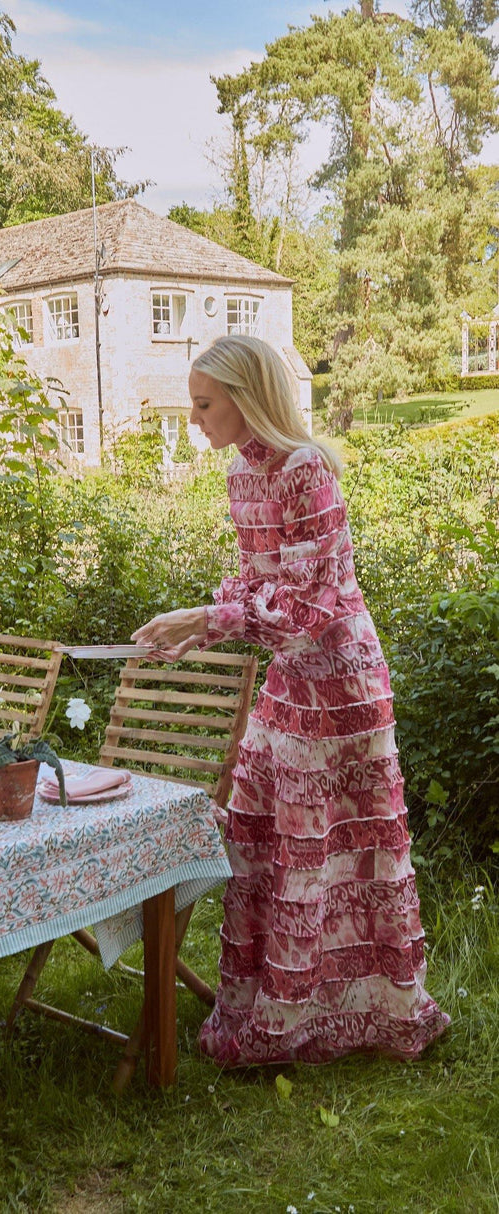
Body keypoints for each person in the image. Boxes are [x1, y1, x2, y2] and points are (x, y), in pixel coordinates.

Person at [132, 334, 449, 1065]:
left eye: (204, 404)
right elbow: (259, 588)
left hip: (339, 682)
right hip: (290, 676)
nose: (194, 419)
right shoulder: (242, 473)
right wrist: (201, 630)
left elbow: (311, 603)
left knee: (335, 849)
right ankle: (270, 1006)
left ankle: (350, 1015)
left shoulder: (307, 469)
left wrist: (205, 620)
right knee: (258, 831)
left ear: (247, 399)